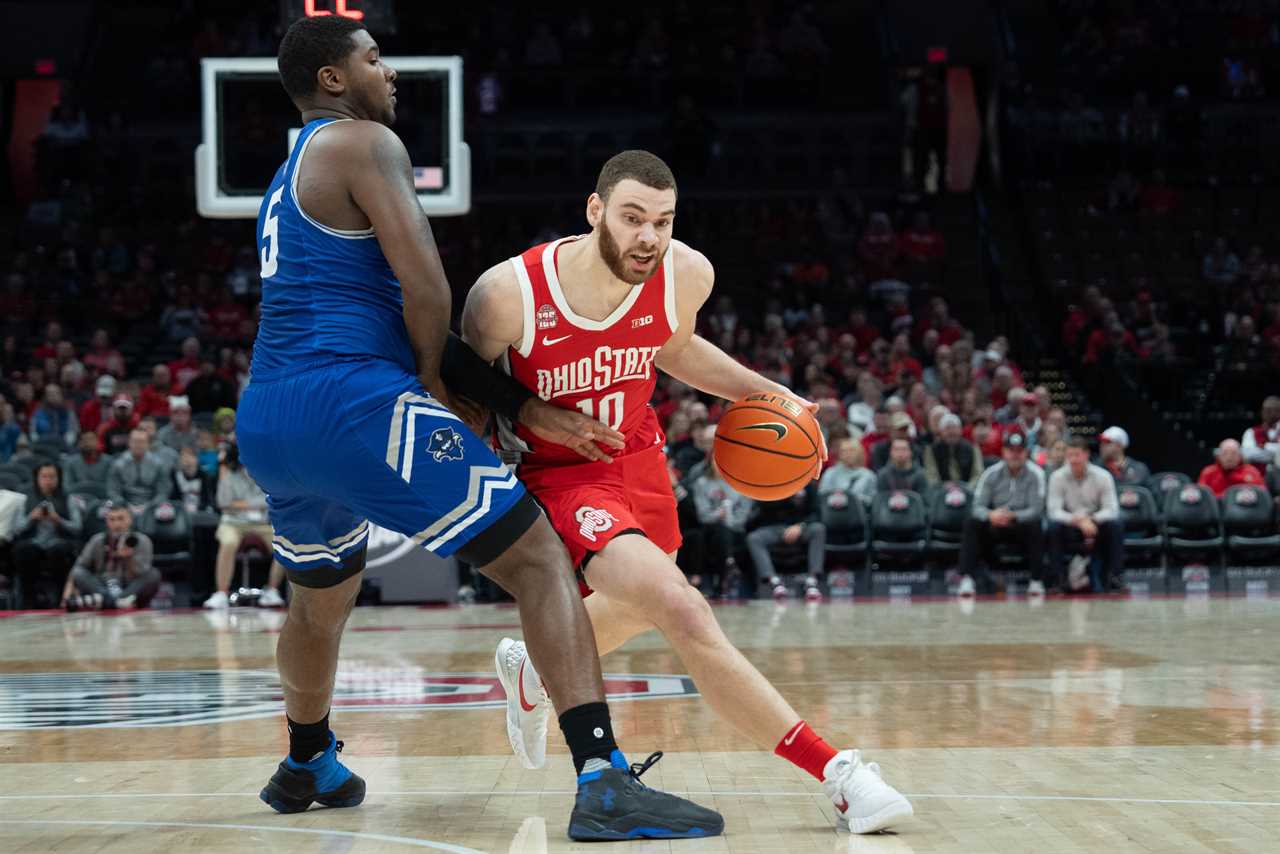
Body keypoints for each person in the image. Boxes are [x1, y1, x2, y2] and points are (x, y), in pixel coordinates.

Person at [235, 17, 721, 839]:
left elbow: (380, 313)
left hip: (270, 419)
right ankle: (602, 779)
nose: (390, 75)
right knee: (538, 560)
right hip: (355, 402)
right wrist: (433, 391)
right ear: (331, 80)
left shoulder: (288, 177)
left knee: (319, 599)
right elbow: (426, 288)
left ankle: (307, 758)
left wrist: (521, 406)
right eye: (374, 60)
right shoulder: (363, 142)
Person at [462, 149, 910, 833]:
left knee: (644, 602)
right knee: (682, 607)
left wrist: (767, 392)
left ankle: (533, 666)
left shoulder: (683, 274)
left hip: (636, 451)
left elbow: (671, 347)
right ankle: (838, 773)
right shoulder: (509, 294)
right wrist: (517, 436)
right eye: (633, 218)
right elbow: (464, 381)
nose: (648, 237)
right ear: (595, 211)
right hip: (561, 473)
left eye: (662, 221)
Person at [961, 428, 1045, 596]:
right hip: (995, 524)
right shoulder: (990, 474)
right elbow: (977, 507)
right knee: (972, 522)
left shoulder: (1036, 474)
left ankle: (1036, 581)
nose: (1015, 455)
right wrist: (991, 515)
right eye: (1011, 451)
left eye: (1019, 451)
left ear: (1026, 452)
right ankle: (967, 579)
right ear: (1003, 452)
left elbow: (1037, 510)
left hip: (1020, 525)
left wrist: (1014, 516)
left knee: (1036, 525)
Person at [203, 441, 286, 609]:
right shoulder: (229, 477)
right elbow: (223, 502)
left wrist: (240, 503)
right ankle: (221, 592)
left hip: (262, 523)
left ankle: (272, 590)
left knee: (285, 544)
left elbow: (271, 499)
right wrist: (254, 504)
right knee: (228, 543)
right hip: (233, 523)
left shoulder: (266, 476)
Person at [1047, 437, 1123, 591]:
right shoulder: (1057, 477)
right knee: (1053, 527)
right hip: (1070, 525)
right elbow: (1053, 511)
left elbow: (1112, 509)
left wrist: (1093, 519)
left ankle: (1115, 578)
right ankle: (1058, 580)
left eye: (1077, 455)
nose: (1073, 460)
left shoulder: (1103, 476)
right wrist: (1077, 520)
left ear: (1087, 454)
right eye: (1070, 455)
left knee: (1115, 525)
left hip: (1096, 524)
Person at [59, 504, 160, 610]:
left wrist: (129, 558)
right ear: (107, 522)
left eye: (121, 519)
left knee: (153, 574)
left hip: (129, 586)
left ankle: (108, 602)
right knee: (78, 572)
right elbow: (78, 568)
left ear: (130, 520)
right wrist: (66, 596)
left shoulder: (142, 541)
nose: (117, 524)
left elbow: (142, 573)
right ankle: (116, 602)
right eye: (112, 519)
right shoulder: (97, 540)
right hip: (103, 584)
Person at [12, 463, 82, 606]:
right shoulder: (26, 499)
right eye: (44, 476)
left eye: (52, 477)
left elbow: (77, 527)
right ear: (37, 478)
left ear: (58, 479)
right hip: (34, 542)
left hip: (58, 542)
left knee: (58, 551)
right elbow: (16, 529)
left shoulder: (68, 498)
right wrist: (31, 518)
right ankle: (28, 600)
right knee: (24, 550)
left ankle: (59, 599)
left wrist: (58, 520)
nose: (48, 481)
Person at [746, 481, 826, 599]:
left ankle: (812, 582)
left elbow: (817, 514)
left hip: (802, 527)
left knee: (819, 529)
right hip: (776, 528)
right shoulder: (768, 482)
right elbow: (759, 514)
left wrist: (800, 526)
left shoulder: (807, 482)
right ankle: (774, 582)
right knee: (754, 538)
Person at [106, 428, 170, 513]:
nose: (138, 445)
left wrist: (151, 506)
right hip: (124, 507)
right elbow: (113, 490)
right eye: (135, 441)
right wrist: (124, 506)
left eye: (142, 441)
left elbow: (163, 491)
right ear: (129, 443)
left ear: (148, 444)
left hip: (152, 508)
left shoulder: (159, 464)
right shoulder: (118, 464)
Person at [922, 413, 983, 487]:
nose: (951, 432)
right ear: (941, 432)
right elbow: (932, 476)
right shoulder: (931, 450)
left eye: (954, 428)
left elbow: (978, 474)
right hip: (942, 493)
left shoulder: (972, 448)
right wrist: (943, 489)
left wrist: (967, 489)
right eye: (947, 428)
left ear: (960, 430)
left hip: (968, 491)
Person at [818, 436, 877, 506]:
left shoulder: (868, 476)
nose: (848, 454)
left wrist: (854, 500)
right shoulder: (830, 473)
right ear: (839, 454)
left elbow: (874, 501)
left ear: (859, 453)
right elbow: (822, 496)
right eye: (844, 451)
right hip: (833, 512)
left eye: (852, 450)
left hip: (859, 514)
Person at [1198, 438, 1264, 497]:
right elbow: (1202, 497)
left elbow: (1262, 496)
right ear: (1218, 456)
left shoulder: (1251, 472)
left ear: (1240, 456)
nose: (1229, 458)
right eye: (1225, 453)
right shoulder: (1208, 472)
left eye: (1233, 453)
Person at [30, 384, 79, 451]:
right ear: (45, 397)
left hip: (64, 447)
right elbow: (33, 432)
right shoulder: (38, 413)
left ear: (61, 395)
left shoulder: (69, 413)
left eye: (56, 393)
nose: (53, 396)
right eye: (49, 394)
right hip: (42, 447)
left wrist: (66, 444)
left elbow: (73, 431)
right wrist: (38, 444)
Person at [171, 445, 218, 514]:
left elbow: (209, 499)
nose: (186, 459)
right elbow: (173, 499)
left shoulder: (205, 477)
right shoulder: (175, 475)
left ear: (196, 458)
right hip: (181, 514)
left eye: (190, 456)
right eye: (183, 456)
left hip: (201, 512)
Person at [1240, 396, 1280, 467]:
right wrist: (1276, 454)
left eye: (1270, 410)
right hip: (1257, 476)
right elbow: (1247, 454)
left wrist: (1265, 446)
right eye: (1264, 410)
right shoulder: (1250, 432)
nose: (1266, 413)